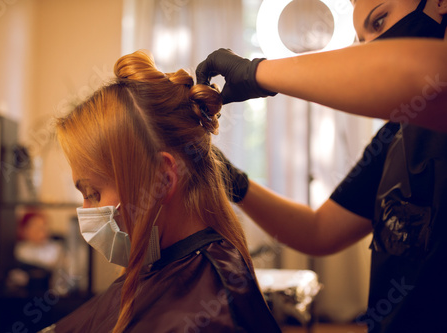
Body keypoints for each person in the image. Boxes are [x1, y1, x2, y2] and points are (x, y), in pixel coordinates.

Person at [196, 0, 447, 332]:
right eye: (361, 41)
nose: (369, 49)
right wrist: (232, 180)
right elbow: (319, 231)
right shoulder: (394, 137)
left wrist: (258, 73)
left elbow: (421, 77)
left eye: (380, 21)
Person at [38, 50, 282, 333]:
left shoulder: (207, 311)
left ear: (163, 179)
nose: (86, 212)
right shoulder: (168, 267)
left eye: (93, 193)